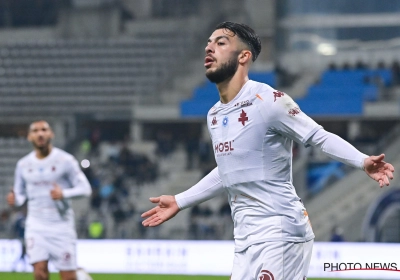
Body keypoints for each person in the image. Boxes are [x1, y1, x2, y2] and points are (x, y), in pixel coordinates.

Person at [141, 21, 395, 279]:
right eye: (208, 43)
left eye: (220, 43)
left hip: (280, 231)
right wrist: (181, 200)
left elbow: (317, 136)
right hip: (245, 240)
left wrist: (362, 160)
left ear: (244, 56)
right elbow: (229, 171)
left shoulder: (269, 101)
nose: (209, 48)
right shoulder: (214, 115)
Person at [7, 120, 92, 280]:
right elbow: (20, 196)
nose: (40, 133)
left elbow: (85, 189)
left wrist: (64, 194)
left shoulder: (66, 160)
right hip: (36, 226)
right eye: (36, 130)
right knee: (39, 272)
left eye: (44, 130)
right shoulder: (23, 164)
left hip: (61, 227)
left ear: (51, 134)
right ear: (29, 137)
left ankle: (80, 275)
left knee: (68, 277)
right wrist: (14, 200)